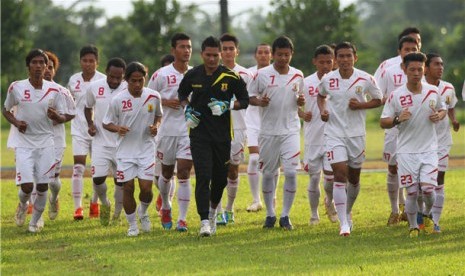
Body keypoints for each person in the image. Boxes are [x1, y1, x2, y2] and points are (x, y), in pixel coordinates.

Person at [177, 36, 249, 237]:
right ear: (202, 55)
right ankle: (204, 221)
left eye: (215, 55)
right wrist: (187, 109)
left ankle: (213, 209)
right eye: (208, 55)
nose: (212, 59)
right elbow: (182, 95)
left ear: (221, 54)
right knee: (203, 176)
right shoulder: (193, 75)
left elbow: (245, 100)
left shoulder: (230, 76)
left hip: (223, 135)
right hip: (199, 135)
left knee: (220, 179)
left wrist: (228, 105)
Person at [317, 42, 382, 236]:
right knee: (339, 175)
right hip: (334, 134)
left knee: (354, 179)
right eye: (341, 56)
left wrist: (361, 105)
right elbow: (320, 97)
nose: (345, 60)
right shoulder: (329, 79)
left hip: (356, 136)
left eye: (348, 56)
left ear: (355, 57)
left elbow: (379, 99)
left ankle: (346, 212)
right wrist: (323, 110)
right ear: (336, 59)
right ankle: (343, 224)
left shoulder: (365, 78)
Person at [380, 52, 446, 238]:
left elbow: (443, 109)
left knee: (427, 190)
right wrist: (397, 119)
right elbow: (383, 121)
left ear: (424, 69)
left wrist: (439, 116)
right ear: (404, 69)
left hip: (429, 150)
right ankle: (413, 227)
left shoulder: (433, 91)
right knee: (411, 192)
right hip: (406, 152)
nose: (416, 73)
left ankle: (426, 215)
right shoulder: (396, 95)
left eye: (420, 69)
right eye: (412, 69)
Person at [3, 49, 67, 233]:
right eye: (34, 62)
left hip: (47, 143)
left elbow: (63, 116)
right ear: (28, 66)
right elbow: (6, 110)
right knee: (27, 186)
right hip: (24, 144)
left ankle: (35, 222)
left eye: (42, 63)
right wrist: (16, 122)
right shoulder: (16, 87)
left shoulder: (55, 90)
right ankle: (23, 205)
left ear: (47, 66)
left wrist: (57, 116)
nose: (38, 66)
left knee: (42, 185)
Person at [249, 35, 305, 230]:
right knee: (269, 173)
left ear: (292, 54)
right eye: (279, 55)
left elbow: (300, 98)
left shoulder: (298, 74)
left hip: (290, 130)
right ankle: (270, 214)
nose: (283, 58)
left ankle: (285, 215)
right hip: (268, 132)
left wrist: (300, 102)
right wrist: (259, 101)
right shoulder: (261, 75)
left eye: (286, 55)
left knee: (290, 172)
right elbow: (249, 97)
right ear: (273, 55)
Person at [102, 62, 162, 236]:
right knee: (127, 188)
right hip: (124, 152)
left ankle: (143, 213)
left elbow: (158, 115)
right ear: (126, 80)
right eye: (133, 81)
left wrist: (155, 126)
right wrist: (118, 128)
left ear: (145, 79)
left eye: (140, 80)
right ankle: (132, 225)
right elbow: (106, 123)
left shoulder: (154, 96)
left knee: (146, 189)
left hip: (146, 150)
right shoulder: (117, 100)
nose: (137, 85)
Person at [147, 32, 193, 231]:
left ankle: (182, 219)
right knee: (165, 174)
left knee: (183, 172)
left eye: (189, 47)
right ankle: (165, 205)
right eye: (182, 47)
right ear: (173, 50)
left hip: (188, 131)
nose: (186, 50)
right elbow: (147, 100)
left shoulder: (196, 74)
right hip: (165, 131)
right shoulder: (161, 75)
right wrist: (165, 102)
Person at [377, 36, 419, 226]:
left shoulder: (422, 70)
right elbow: (379, 96)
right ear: (399, 52)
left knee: (416, 167)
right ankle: (395, 210)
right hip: (394, 127)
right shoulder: (389, 71)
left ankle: (416, 213)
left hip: (417, 129)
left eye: (414, 48)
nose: (410, 52)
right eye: (407, 49)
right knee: (393, 167)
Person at [214, 33, 254, 225]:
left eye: (231, 48)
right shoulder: (212, 72)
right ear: (220, 52)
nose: (228, 52)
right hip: (216, 129)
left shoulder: (245, 74)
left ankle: (229, 209)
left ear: (237, 51)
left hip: (239, 128)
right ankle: (218, 210)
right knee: (216, 170)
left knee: (232, 170)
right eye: (225, 49)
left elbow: (250, 99)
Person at [85, 57, 127, 226]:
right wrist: (90, 124)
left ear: (123, 76)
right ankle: (105, 203)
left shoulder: (128, 89)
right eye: (112, 77)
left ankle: (117, 213)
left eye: (119, 77)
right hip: (100, 141)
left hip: (123, 144)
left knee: (121, 181)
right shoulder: (94, 87)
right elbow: (88, 107)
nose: (115, 81)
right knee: (98, 179)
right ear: (106, 73)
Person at [68, 45, 106, 220]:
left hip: (99, 131)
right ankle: (78, 208)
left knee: (98, 171)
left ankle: (94, 202)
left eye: (92, 61)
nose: (88, 64)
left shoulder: (104, 81)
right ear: (80, 61)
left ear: (97, 62)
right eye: (85, 60)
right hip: (78, 130)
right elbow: (69, 103)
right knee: (78, 168)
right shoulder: (73, 80)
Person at [301, 45, 337, 225]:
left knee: (330, 180)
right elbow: (293, 105)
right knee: (314, 177)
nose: (325, 65)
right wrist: (301, 114)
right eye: (321, 62)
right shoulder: (306, 82)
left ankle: (329, 202)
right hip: (312, 138)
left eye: (329, 62)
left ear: (334, 62)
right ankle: (314, 215)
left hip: (333, 137)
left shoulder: (339, 82)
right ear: (314, 62)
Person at [424, 53, 460, 233]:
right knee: (421, 184)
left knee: (439, 180)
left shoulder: (448, 87)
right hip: (420, 143)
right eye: (436, 64)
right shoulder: (418, 87)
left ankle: (435, 221)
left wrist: (453, 120)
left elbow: (450, 106)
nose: (441, 68)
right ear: (426, 67)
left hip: (442, 141)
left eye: (442, 64)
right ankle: (421, 216)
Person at [44, 51, 76, 222]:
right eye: (44, 66)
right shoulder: (24, 90)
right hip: (33, 140)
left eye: (51, 67)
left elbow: (72, 113)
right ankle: (37, 217)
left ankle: (54, 198)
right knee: (36, 178)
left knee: (53, 179)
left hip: (56, 139)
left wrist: (59, 117)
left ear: (54, 70)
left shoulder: (62, 91)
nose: (47, 70)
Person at [245, 43, 273, 212]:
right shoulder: (249, 74)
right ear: (255, 55)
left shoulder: (277, 74)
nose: (263, 55)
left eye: (266, 52)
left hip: (272, 122)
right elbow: (245, 97)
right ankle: (256, 200)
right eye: (260, 52)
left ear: (271, 55)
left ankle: (272, 195)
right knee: (255, 159)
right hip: (252, 121)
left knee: (271, 162)